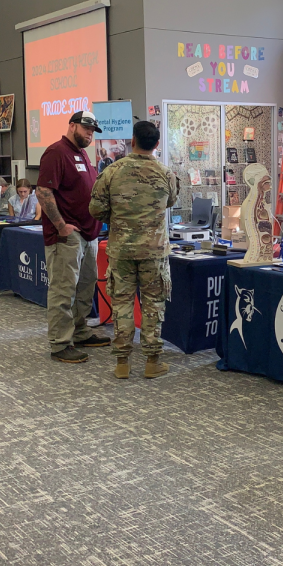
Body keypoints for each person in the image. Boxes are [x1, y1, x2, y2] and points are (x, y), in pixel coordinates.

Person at [90, 120, 178, 379]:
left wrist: (118, 216)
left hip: (122, 250)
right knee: (153, 305)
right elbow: (171, 201)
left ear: (132, 140)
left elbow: (95, 209)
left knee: (122, 304)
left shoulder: (112, 171)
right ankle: (152, 362)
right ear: (157, 144)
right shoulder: (166, 173)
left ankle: (122, 364)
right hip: (154, 251)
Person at [36, 111, 110, 363]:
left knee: (85, 287)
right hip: (67, 236)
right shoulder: (56, 152)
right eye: (86, 128)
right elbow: (43, 191)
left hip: (89, 233)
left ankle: (79, 330)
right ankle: (59, 343)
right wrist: (60, 226)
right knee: (63, 290)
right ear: (71, 126)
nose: (90, 133)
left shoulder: (82, 154)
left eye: (92, 130)